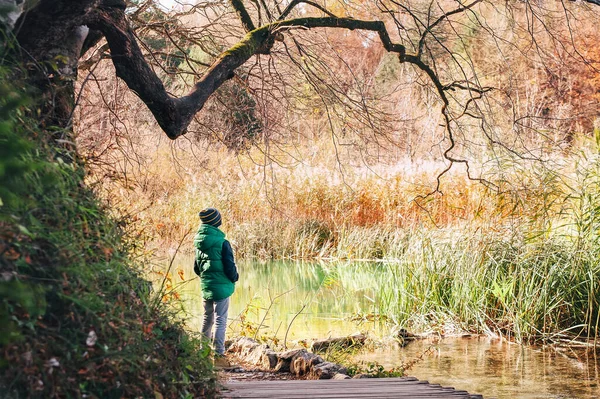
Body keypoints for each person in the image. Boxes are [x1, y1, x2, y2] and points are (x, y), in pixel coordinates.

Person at [193, 208, 239, 367]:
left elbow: (196, 268)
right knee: (221, 319)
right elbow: (229, 266)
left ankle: (202, 353)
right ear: (215, 222)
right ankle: (218, 356)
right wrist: (235, 277)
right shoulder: (222, 242)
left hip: (207, 285)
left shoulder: (198, 242)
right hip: (221, 287)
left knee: (207, 318)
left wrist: (208, 278)